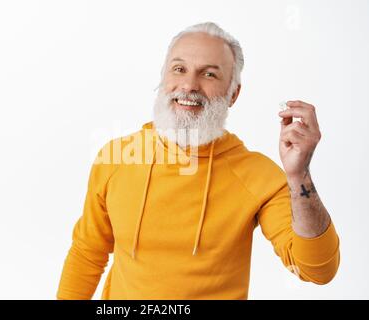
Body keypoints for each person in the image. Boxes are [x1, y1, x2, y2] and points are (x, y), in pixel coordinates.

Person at [56, 22, 340, 300]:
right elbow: (87, 252)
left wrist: (299, 176)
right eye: (179, 69)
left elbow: (318, 270)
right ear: (163, 77)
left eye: (209, 75)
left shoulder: (258, 176)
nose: (189, 85)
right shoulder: (116, 158)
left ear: (234, 93)